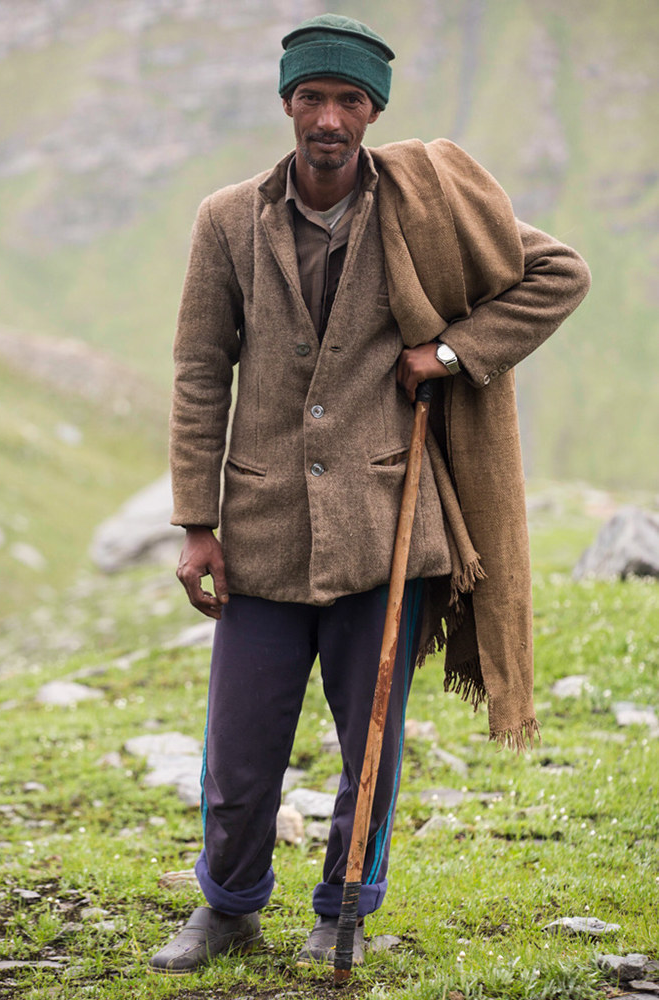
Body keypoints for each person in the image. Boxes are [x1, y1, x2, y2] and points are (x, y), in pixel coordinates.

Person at [149, 13, 590, 975]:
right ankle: (226, 908)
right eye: (312, 98)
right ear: (286, 106)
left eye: (350, 101)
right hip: (261, 530)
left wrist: (451, 352)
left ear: (374, 112)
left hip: (388, 526)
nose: (330, 120)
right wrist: (196, 523)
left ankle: (346, 910)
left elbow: (560, 273)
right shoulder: (228, 219)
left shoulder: (424, 210)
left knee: (374, 742)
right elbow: (197, 370)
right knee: (240, 751)